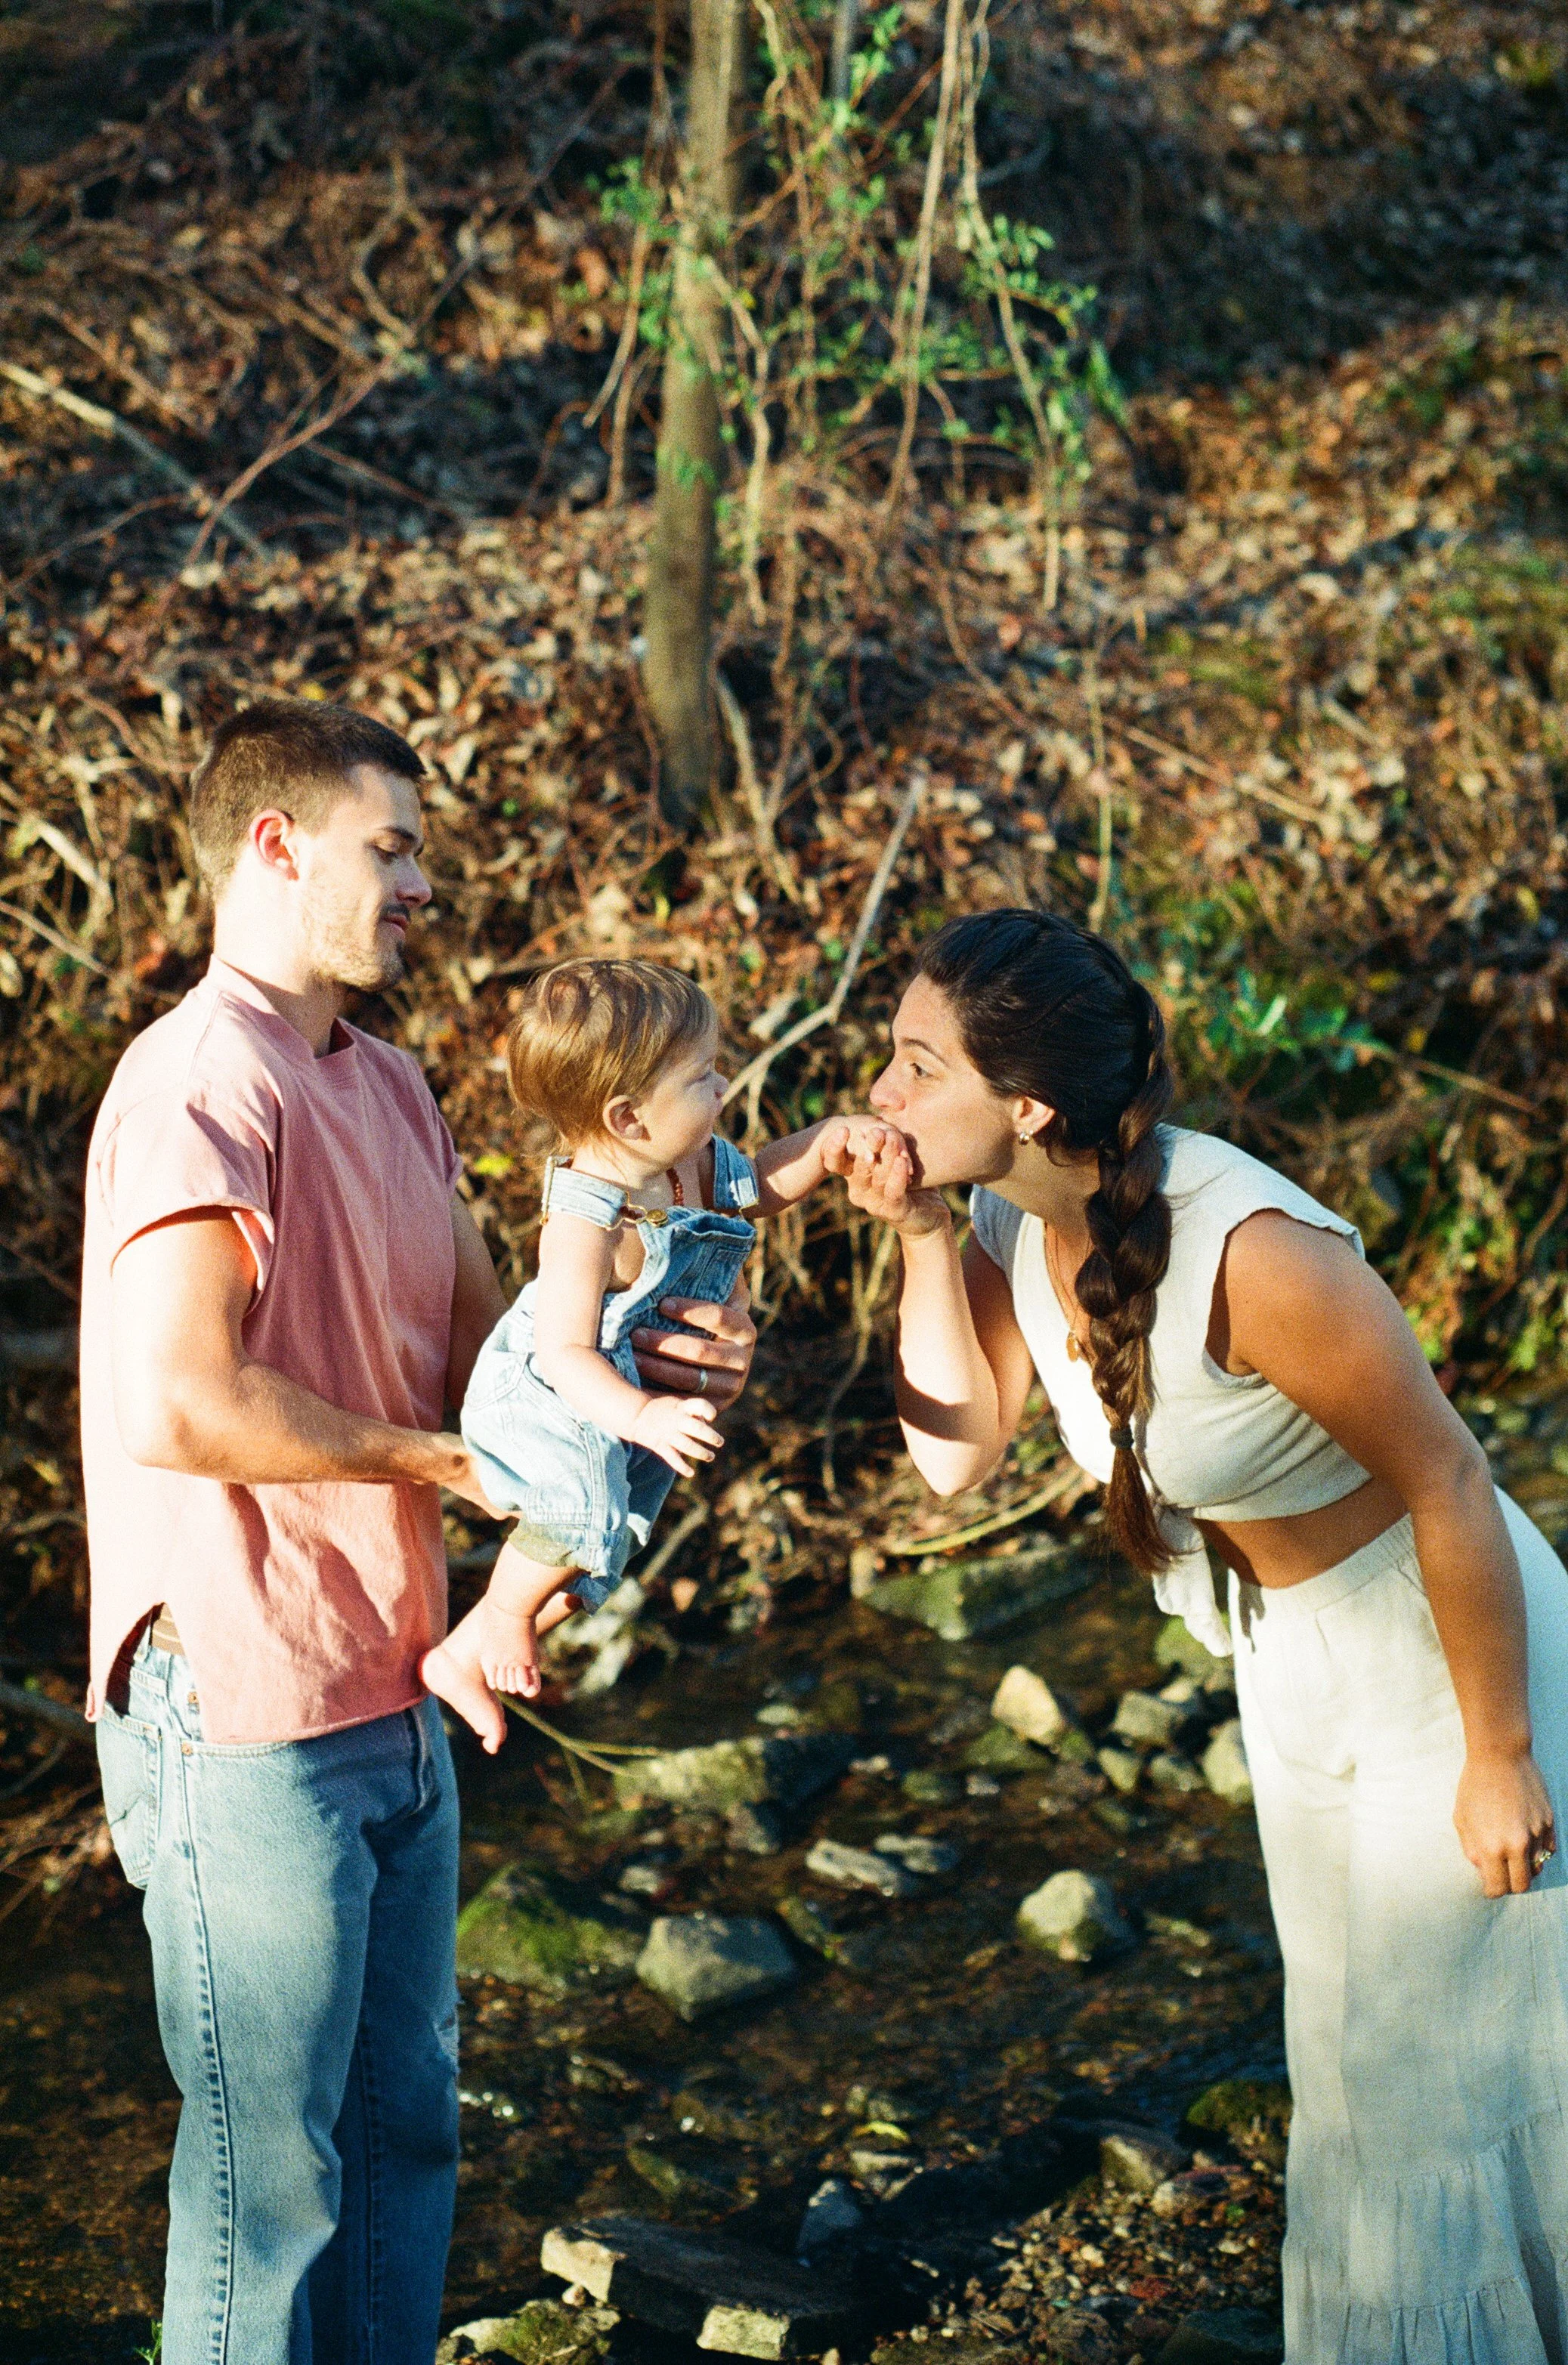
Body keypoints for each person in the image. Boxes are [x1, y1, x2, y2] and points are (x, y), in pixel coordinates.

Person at [79, 700, 756, 2365]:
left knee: (405, 2145)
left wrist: (646, 1353)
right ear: (275, 845)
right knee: (269, 2188)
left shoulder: (386, 1083)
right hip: (238, 1700)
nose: (423, 884)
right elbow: (178, 1402)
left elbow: (490, 1357)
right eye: (391, 848)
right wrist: (445, 1465)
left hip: (395, 1683)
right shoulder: (195, 1083)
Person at [825, 904, 1568, 2363]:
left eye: (917, 1064)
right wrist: (917, 1236)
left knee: (1445, 2078)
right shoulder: (1015, 1218)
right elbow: (955, 1457)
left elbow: (1449, 1478)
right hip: (1292, 1660)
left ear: (1026, 1106)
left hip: (1445, 1661)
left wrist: (1500, 1753)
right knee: (1349, 2070)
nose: (883, 1092)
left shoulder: (1256, 1251)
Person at [424, 956, 897, 1748]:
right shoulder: (585, 1219)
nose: (724, 1088)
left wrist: (823, 1144)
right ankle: (504, 1613)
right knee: (579, 1507)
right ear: (628, 1118)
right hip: (551, 1399)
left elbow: (758, 1188)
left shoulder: (687, 1163)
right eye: (702, 1077)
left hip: (629, 1397)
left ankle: (460, 1655)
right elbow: (563, 1352)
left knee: (612, 1536)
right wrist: (641, 1415)